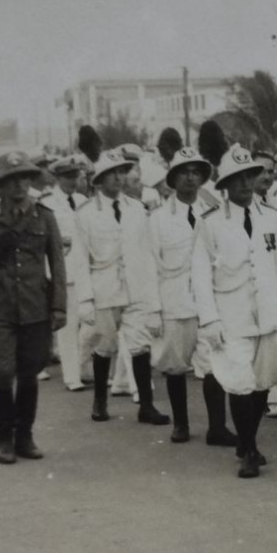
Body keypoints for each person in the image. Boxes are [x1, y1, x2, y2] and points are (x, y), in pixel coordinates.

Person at [190, 144, 277, 478]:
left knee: (263, 380)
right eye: (236, 179)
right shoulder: (210, 223)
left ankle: (246, 440)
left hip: (268, 311)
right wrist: (209, 319)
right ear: (224, 185)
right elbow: (199, 274)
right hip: (231, 313)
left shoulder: (272, 218)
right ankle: (249, 449)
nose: (245, 185)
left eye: (249, 176)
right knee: (239, 381)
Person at [0, 151, 68, 463]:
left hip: (36, 306)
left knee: (29, 373)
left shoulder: (45, 217)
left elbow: (58, 265)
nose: (19, 186)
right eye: (11, 181)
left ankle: (25, 435)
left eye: (24, 178)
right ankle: (3, 438)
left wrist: (59, 306)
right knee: (2, 374)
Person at [149, 146, 238, 445]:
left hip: (208, 300)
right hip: (174, 299)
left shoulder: (213, 212)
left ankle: (216, 427)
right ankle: (181, 424)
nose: (190, 178)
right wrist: (151, 309)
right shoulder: (159, 219)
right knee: (175, 364)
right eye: (183, 172)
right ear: (173, 178)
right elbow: (150, 265)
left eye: (195, 172)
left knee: (213, 361)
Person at [75, 146, 169, 425]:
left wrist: (153, 298)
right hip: (104, 288)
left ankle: (146, 405)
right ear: (99, 180)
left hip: (136, 287)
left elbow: (147, 254)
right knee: (105, 345)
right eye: (110, 174)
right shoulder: (86, 214)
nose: (117, 179)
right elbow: (80, 258)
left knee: (140, 345)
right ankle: (100, 401)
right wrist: (85, 300)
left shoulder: (137, 210)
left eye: (121, 173)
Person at [38, 156, 89, 391]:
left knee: (89, 324)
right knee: (68, 326)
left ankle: (85, 367)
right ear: (57, 178)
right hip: (63, 269)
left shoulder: (83, 200)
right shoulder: (47, 202)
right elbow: (40, 235)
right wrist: (60, 240)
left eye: (76, 175)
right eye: (68, 176)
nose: (73, 181)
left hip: (85, 268)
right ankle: (72, 375)